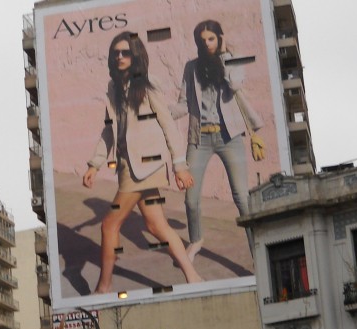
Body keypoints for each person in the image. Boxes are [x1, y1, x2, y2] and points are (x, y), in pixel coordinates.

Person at [83, 30, 203, 293]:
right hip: (128, 166)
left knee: (109, 224)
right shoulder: (113, 88)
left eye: (125, 52)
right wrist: (95, 163)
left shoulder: (148, 84)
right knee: (156, 225)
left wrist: (180, 165)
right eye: (116, 53)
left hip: (146, 165)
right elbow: (108, 130)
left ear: (135, 56)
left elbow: (168, 124)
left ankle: (103, 288)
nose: (120, 57)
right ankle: (193, 277)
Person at [171, 19, 264, 261]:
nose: (207, 43)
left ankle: (259, 250)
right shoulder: (191, 67)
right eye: (202, 41)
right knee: (190, 199)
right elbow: (183, 103)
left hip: (229, 136)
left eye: (211, 38)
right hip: (199, 138)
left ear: (219, 38)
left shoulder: (233, 59)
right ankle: (196, 240)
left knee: (241, 197)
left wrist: (224, 53)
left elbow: (235, 84)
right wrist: (157, 115)